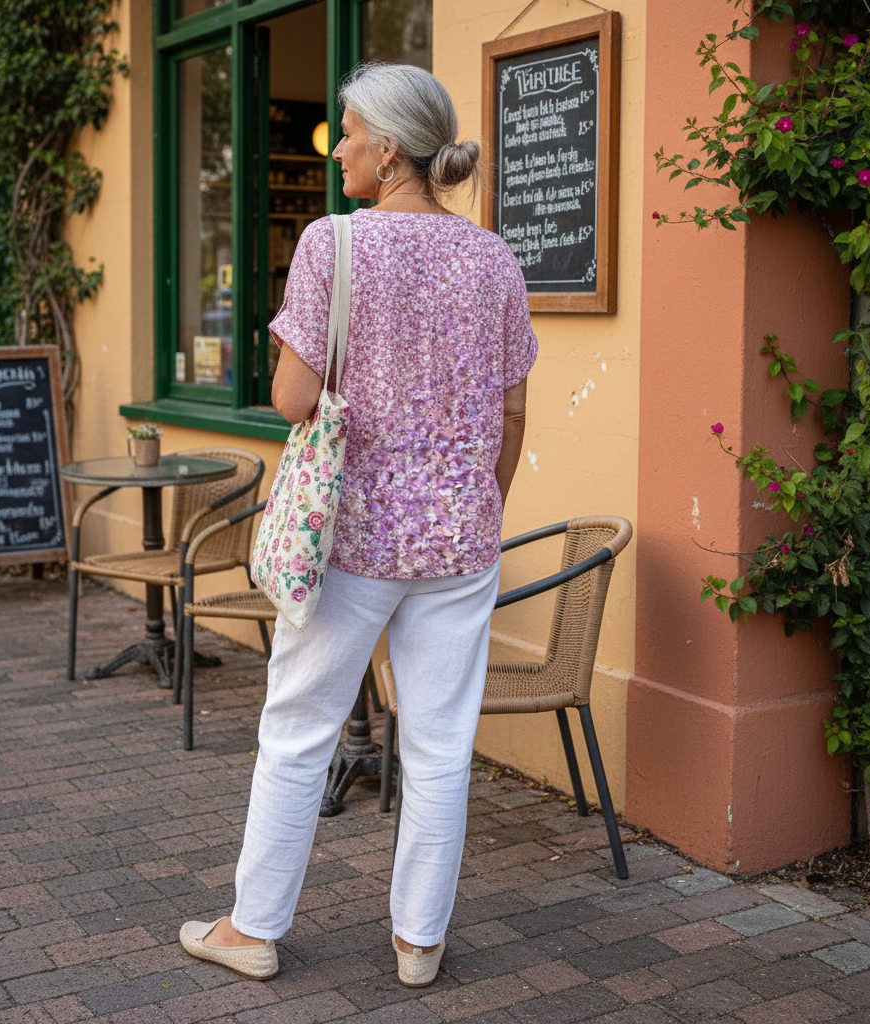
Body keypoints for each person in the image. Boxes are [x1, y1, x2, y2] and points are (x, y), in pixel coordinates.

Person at [180, 62, 538, 988]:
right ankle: (419, 941)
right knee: (441, 743)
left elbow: (293, 399)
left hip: (350, 535)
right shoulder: (494, 258)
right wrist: (479, 503)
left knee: (300, 728)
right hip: (460, 537)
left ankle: (253, 928)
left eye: (347, 133)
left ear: (388, 149)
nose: (336, 149)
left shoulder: (331, 244)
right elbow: (512, 413)